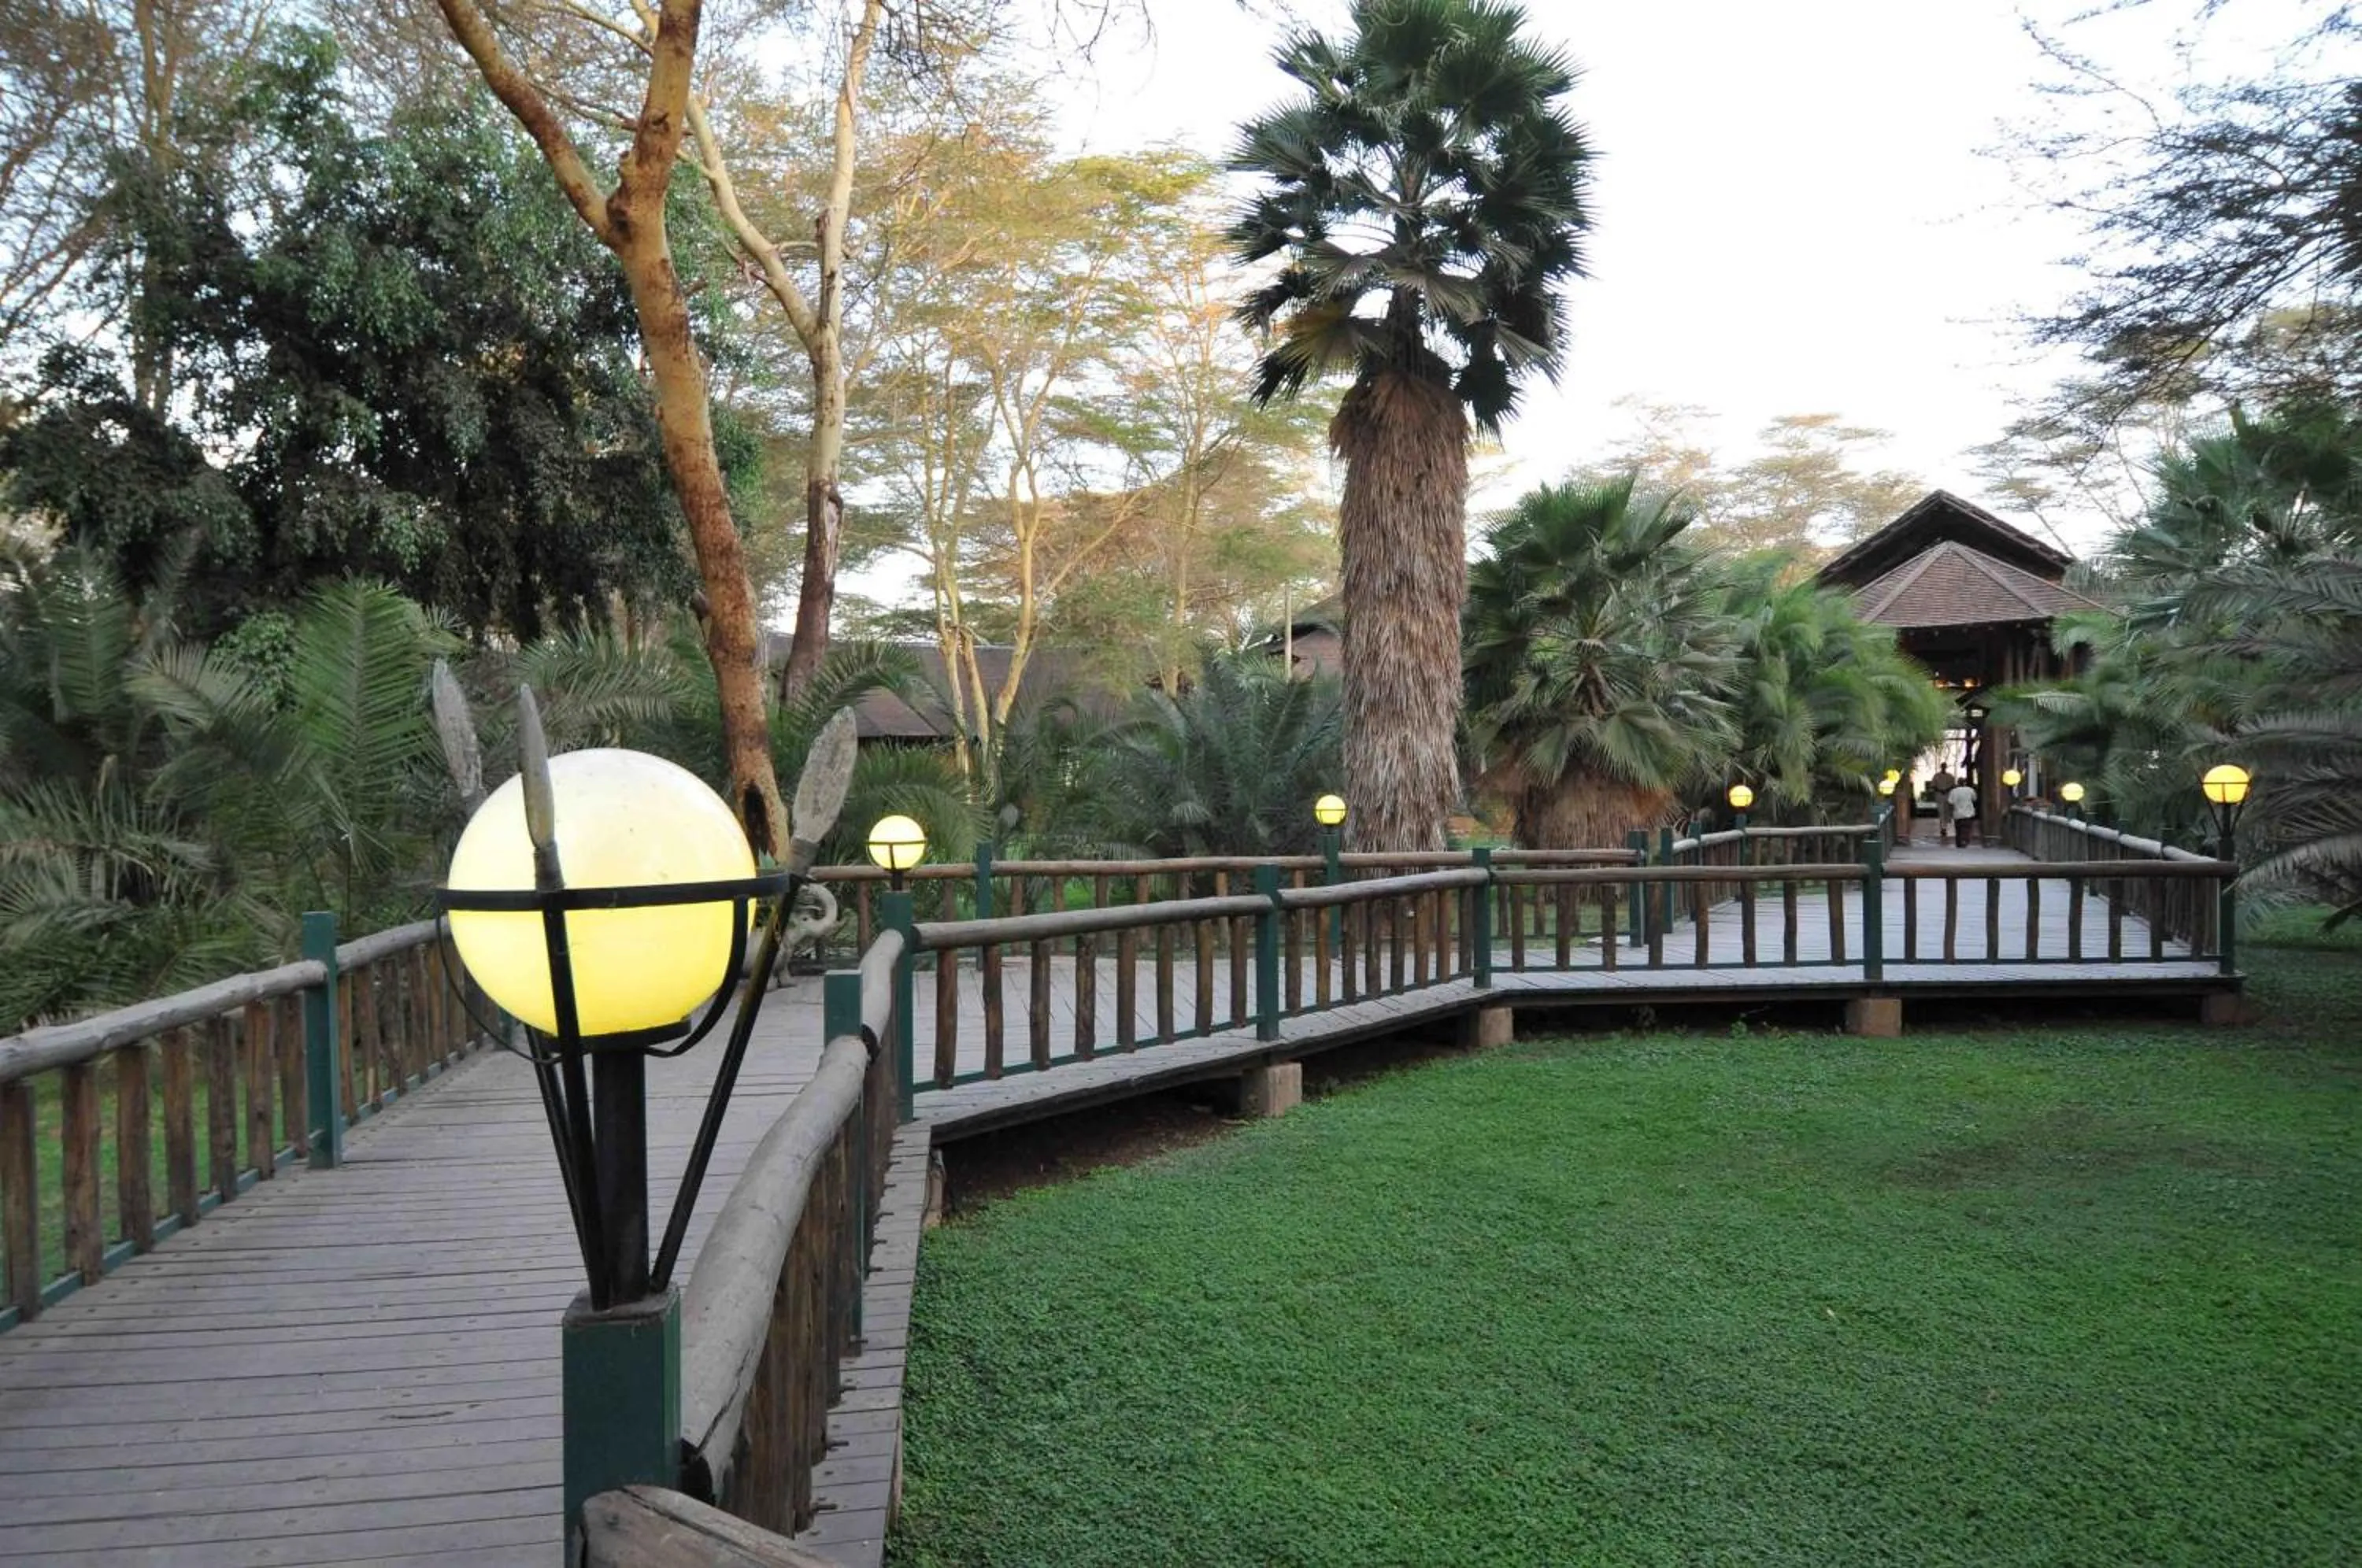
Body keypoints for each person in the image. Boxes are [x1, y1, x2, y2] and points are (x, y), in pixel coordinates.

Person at [1930, 765, 1957, 844]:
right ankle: (1943, 828)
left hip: (1948, 796)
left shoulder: (1950, 776)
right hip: (1940, 796)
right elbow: (1933, 786)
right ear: (1941, 767)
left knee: (1947, 812)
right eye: (1943, 767)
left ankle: (1945, 826)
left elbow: (1953, 786)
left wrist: (1946, 790)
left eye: (1944, 767)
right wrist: (1940, 790)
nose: (1943, 768)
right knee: (1941, 812)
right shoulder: (1936, 776)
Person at [1948, 779, 1979, 847]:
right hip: (1968, 813)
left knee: (1958, 829)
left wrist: (1950, 814)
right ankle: (1965, 841)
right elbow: (1975, 799)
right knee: (1967, 829)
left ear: (1958, 783)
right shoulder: (1970, 790)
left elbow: (1950, 803)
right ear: (1965, 783)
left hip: (1957, 814)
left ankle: (1959, 842)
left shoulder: (1954, 791)